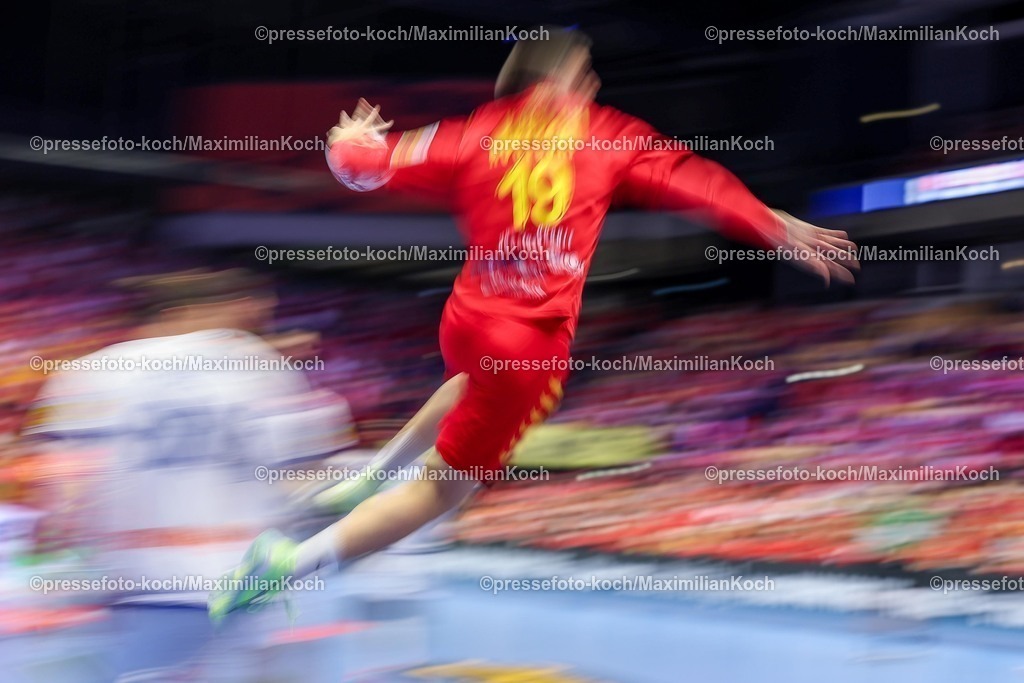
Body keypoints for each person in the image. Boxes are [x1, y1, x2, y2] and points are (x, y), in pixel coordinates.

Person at [209, 27, 858, 621]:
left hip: (466, 317)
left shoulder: (473, 131)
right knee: (441, 493)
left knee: (468, 382)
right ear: (557, 80)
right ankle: (291, 565)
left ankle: (371, 476)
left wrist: (348, 141)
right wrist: (771, 223)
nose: (594, 84)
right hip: (529, 343)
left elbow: (364, 168)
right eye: (585, 72)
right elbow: (695, 183)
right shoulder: (605, 133)